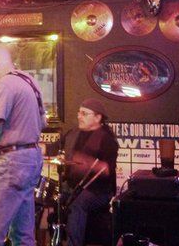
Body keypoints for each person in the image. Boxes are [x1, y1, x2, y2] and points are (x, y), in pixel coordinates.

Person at [0, 44, 46, 246]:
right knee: (23, 237)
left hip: (12, 164)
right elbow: (43, 122)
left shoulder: (4, 84)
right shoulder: (30, 81)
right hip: (31, 160)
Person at [61, 98, 118, 246]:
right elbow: (55, 148)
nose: (79, 116)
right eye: (79, 113)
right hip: (73, 186)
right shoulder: (73, 134)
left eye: (84, 114)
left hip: (99, 191)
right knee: (53, 198)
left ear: (98, 117)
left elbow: (107, 169)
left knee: (78, 203)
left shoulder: (107, 139)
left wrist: (86, 162)